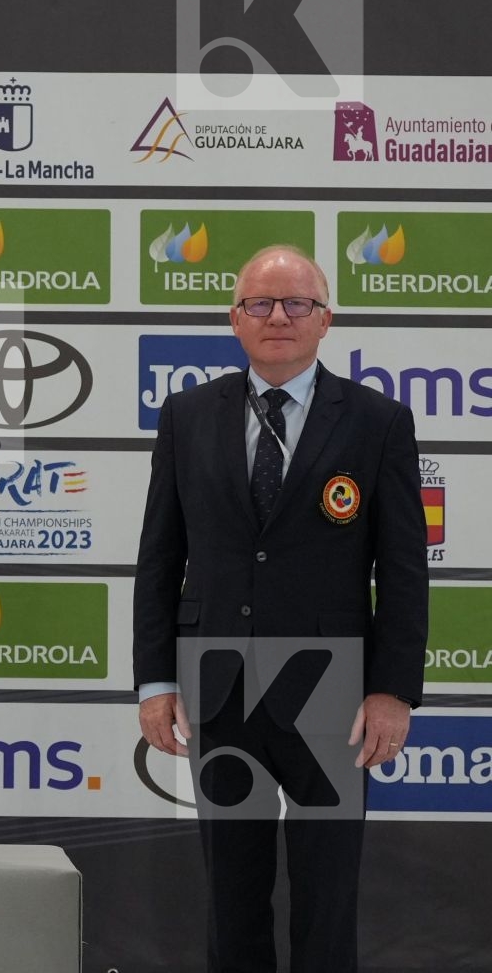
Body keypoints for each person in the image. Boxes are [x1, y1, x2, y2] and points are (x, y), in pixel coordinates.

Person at [134, 244, 427, 972]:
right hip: (219, 682)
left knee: (328, 894)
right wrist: (155, 682)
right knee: (233, 893)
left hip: (332, 689)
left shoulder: (377, 420)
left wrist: (392, 690)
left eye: (298, 303)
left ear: (327, 319)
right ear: (234, 320)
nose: (279, 317)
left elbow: (403, 569)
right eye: (259, 303)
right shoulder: (187, 416)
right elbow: (159, 559)